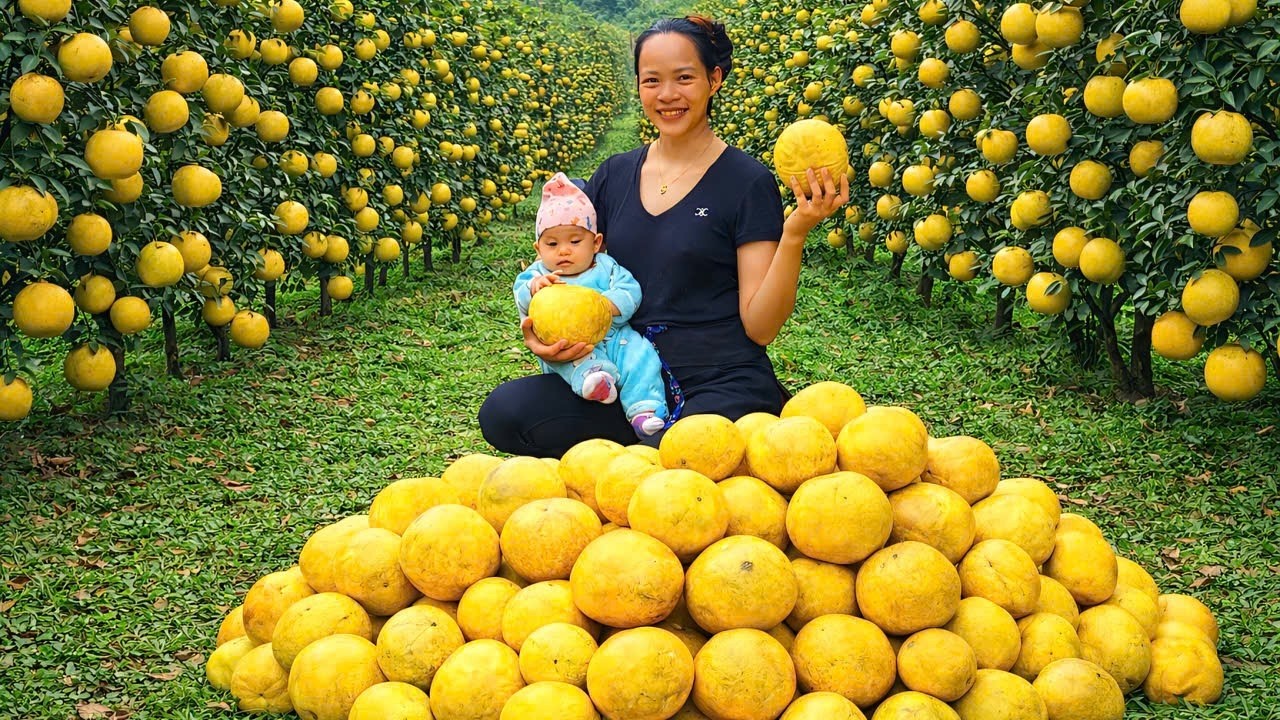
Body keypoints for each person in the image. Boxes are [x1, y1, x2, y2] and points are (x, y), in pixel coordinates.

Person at [479, 14, 848, 457]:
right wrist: (546, 336)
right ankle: (646, 443)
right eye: (652, 80)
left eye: (684, 78)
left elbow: (761, 327)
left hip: (719, 378)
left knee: (683, 452)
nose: (667, 95)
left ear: (714, 79)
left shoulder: (745, 181)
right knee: (506, 412)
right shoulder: (614, 175)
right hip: (629, 374)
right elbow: (563, 269)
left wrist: (795, 233)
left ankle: (661, 449)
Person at [514, 172, 669, 438]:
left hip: (615, 337)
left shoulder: (606, 267)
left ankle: (645, 410)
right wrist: (534, 288)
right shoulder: (537, 274)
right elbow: (521, 294)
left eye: (575, 241)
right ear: (538, 249)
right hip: (569, 344)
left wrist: (606, 305)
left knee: (641, 357)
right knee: (574, 360)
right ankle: (595, 382)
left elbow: (630, 290)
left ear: (596, 243)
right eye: (552, 244)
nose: (564, 250)